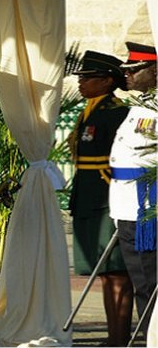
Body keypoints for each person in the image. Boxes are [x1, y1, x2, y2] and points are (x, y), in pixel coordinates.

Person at [68, 50, 133, 346]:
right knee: (104, 272)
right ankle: (113, 336)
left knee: (117, 271)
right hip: (89, 196)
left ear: (107, 81)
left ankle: (119, 337)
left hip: (108, 198)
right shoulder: (90, 112)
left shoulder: (116, 113)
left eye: (88, 78)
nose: (81, 83)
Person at [109, 41, 157, 338]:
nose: (126, 75)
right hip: (128, 205)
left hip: (147, 207)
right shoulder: (143, 105)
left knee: (148, 280)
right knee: (142, 279)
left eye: (134, 70)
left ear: (155, 71)